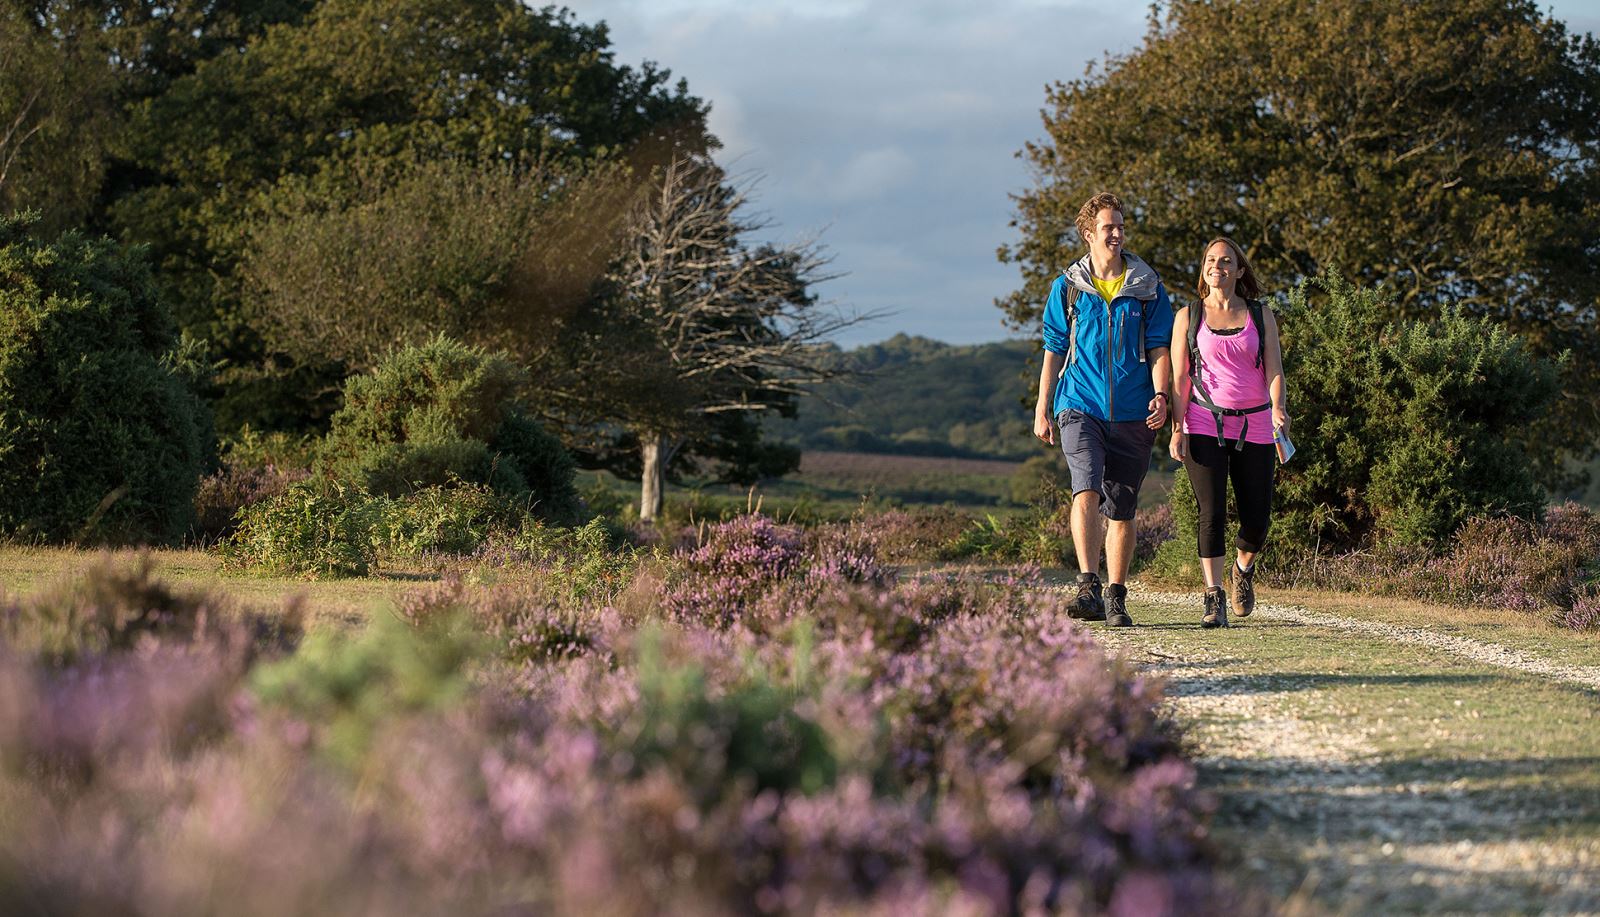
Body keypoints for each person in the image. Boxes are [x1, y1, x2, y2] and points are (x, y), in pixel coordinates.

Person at [1034, 191, 1174, 627]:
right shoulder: (1068, 288)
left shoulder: (1148, 287)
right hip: (1080, 404)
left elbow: (1158, 349)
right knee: (1086, 487)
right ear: (1089, 234)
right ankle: (1088, 586)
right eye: (1108, 227)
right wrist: (1043, 406)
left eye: (1120, 226)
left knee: (1123, 509)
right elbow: (1054, 350)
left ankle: (1116, 596)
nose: (1117, 233)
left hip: (1134, 411)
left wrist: (1161, 395)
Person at [1168, 237, 1288, 628]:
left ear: (1239, 270)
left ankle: (1242, 570)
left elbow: (1274, 370)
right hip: (1203, 422)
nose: (1216, 266)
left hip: (1255, 424)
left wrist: (1279, 409)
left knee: (1258, 518)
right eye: (1210, 260)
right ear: (1203, 268)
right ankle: (1213, 595)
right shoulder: (1188, 316)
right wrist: (1177, 428)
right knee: (1212, 513)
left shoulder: (1259, 313)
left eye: (1225, 261)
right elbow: (1180, 377)